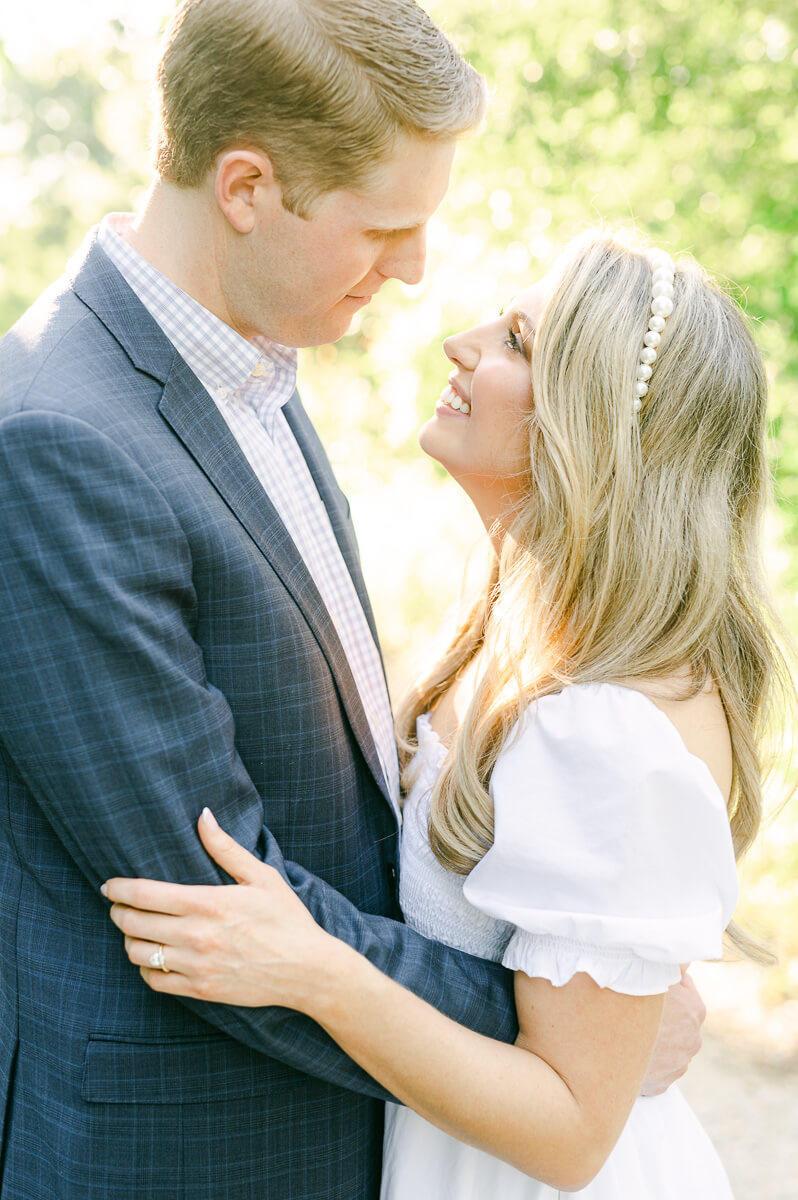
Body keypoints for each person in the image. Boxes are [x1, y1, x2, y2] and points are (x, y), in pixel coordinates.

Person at [0, 1, 702, 1196]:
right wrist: (579, 1019)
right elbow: (208, 895)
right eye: (387, 226)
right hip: (187, 1150)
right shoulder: (61, 440)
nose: (418, 269)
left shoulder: (252, 353)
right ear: (246, 187)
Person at [105, 229, 795, 1198]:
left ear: (589, 426)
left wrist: (313, 968)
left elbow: (568, 1133)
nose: (461, 343)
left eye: (515, 340)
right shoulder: (519, 631)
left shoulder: (607, 727)